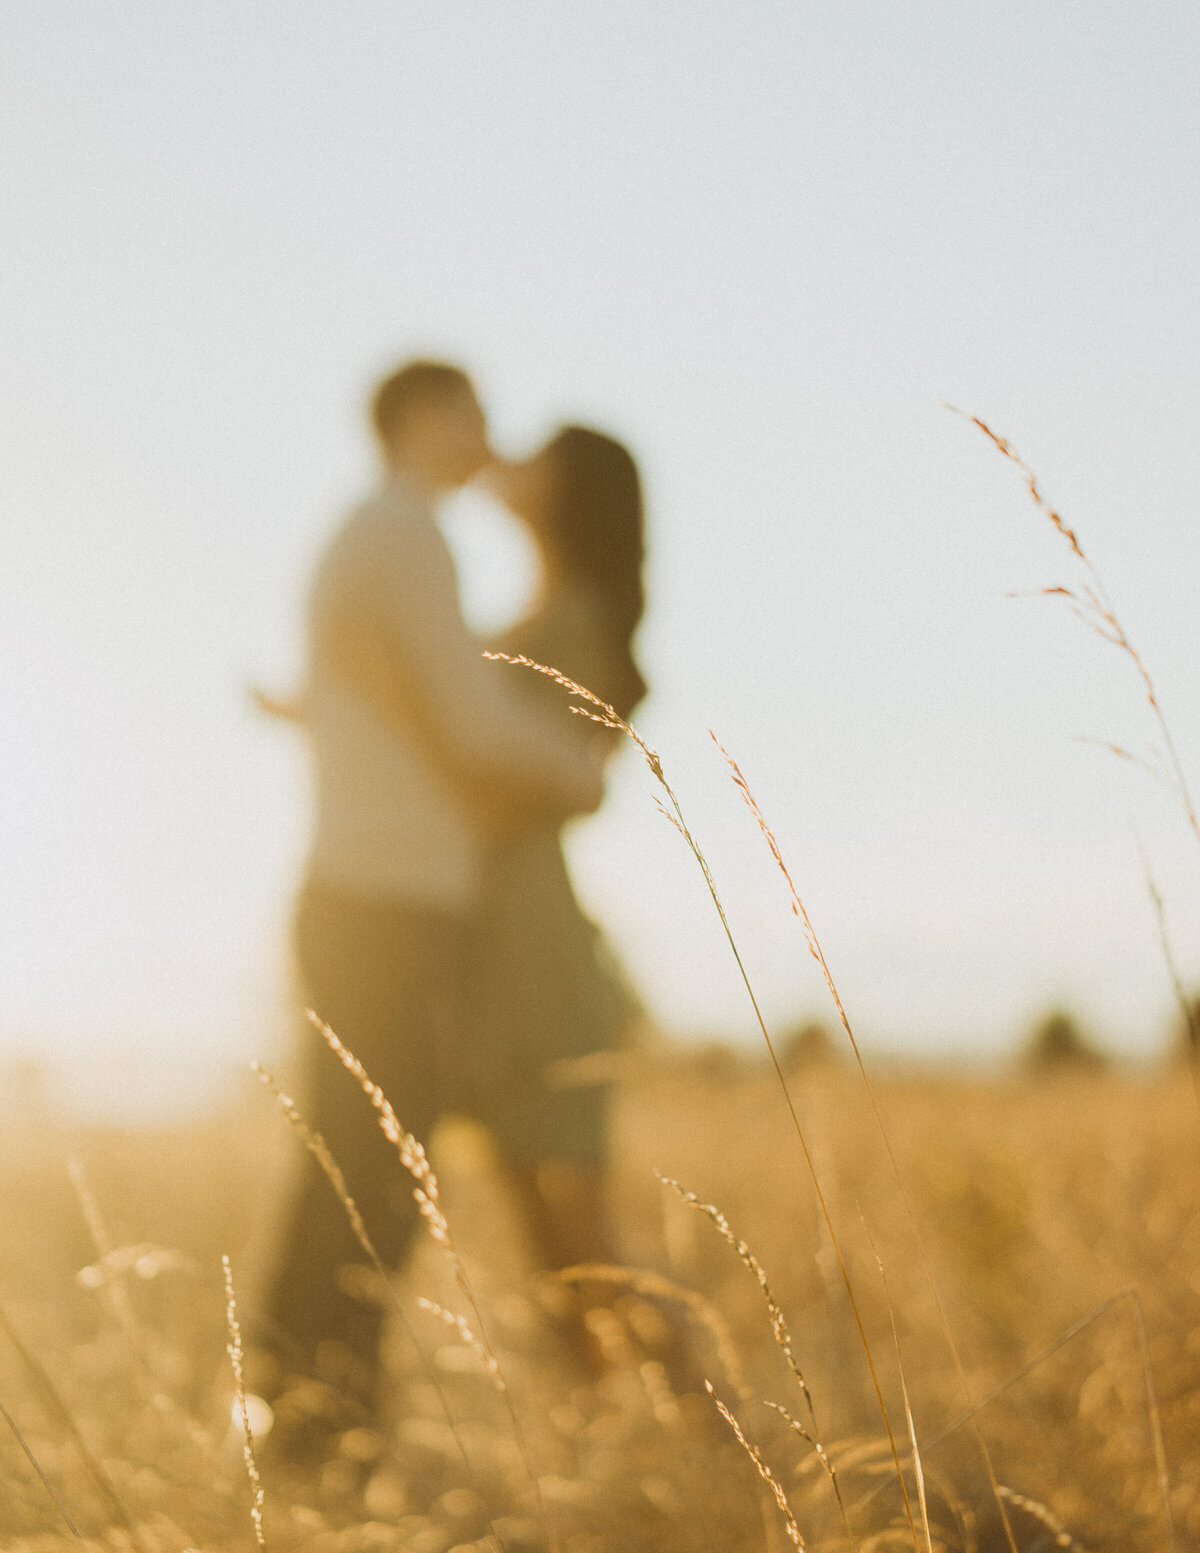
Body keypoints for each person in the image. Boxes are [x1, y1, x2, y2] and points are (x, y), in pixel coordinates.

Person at [264, 363, 606, 1422]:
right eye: (473, 410)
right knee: (374, 1174)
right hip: (392, 901)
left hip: (366, 889)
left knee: (353, 1159)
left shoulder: (369, 533)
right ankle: (319, 1412)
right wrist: (588, 768)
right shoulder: (407, 535)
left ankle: (300, 1402)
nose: (490, 432)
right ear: (425, 415)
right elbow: (468, 724)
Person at [467, 426, 646, 1298]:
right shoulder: (543, 610)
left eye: (539, 454)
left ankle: (726, 1432)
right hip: (499, 939)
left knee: (585, 1241)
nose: (512, 454)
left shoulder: (574, 617)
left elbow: (547, 780)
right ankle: (633, 1433)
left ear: (568, 492)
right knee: (555, 1260)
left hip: (532, 942)